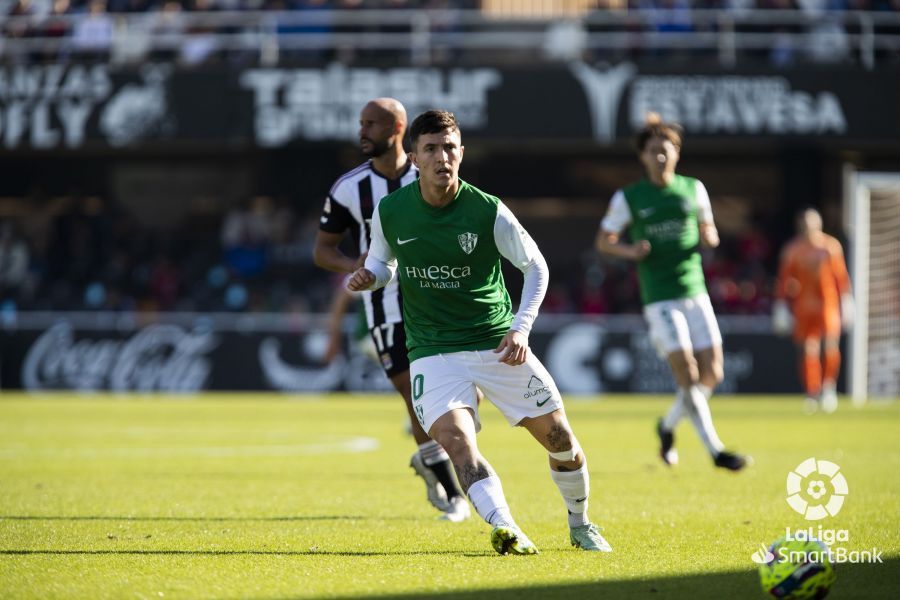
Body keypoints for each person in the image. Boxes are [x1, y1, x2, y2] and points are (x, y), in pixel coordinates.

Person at [348, 110, 612, 555]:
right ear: (414, 158)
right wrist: (369, 277)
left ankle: (580, 523)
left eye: (449, 148)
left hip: (497, 345)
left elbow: (536, 267)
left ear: (461, 153)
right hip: (433, 351)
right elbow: (382, 263)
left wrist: (521, 329)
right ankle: (506, 527)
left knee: (561, 441)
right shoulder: (390, 211)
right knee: (457, 442)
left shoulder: (487, 209)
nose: (442, 157)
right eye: (431, 149)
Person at [313, 98, 470, 522]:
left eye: (371, 124)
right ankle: (453, 493)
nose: (362, 131)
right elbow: (322, 250)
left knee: (463, 396)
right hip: (385, 306)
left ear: (397, 128)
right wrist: (355, 265)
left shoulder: (431, 172)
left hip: (438, 297)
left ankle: (432, 456)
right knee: (416, 396)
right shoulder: (349, 188)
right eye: (361, 123)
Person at [595, 113, 747, 472]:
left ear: (677, 153)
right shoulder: (630, 197)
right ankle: (716, 451)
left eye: (666, 150)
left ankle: (667, 426)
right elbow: (604, 240)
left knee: (714, 373)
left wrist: (711, 236)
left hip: (695, 291)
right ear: (643, 156)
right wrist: (630, 251)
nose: (660, 157)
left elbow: (709, 229)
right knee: (688, 373)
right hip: (660, 297)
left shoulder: (693, 189)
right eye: (653, 151)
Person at [773, 207, 853, 414]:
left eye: (811, 222)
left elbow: (840, 277)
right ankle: (812, 391)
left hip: (828, 305)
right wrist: (781, 305)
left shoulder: (830, 247)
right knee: (808, 350)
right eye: (804, 223)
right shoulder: (792, 249)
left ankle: (828, 387)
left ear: (819, 224)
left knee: (830, 346)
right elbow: (784, 279)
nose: (807, 227)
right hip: (804, 306)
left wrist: (846, 301)